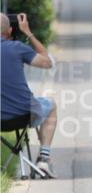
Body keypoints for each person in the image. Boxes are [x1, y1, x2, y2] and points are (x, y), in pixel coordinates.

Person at [0, 12, 58, 178]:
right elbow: (48, 63)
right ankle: (44, 160)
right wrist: (28, 32)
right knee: (51, 104)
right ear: (10, 31)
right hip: (22, 115)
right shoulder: (17, 48)